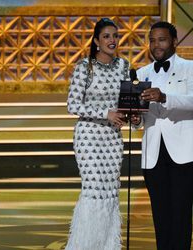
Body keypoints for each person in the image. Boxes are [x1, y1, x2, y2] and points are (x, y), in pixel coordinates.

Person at [131, 21, 193, 250]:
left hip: (182, 151)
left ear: (174, 41)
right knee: (160, 213)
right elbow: (141, 116)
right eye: (152, 40)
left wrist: (164, 97)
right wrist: (135, 119)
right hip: (153, 152)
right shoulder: (140, 73)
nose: (156, 45)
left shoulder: (191, 67)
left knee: (180, 211)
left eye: (161, 39)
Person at [65, 18, 129, 250]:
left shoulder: (123, 66)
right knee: (94, 189)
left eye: (115, 35)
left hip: (113, 137)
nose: (112, 40)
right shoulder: (85, 67)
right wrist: (106, 113)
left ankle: (107, 246)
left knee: (110, 190)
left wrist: (133, 114)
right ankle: (84, 245)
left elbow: (127, 100)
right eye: (106, 36)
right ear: (96, 41)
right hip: (89, 137)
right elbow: (72, 104)